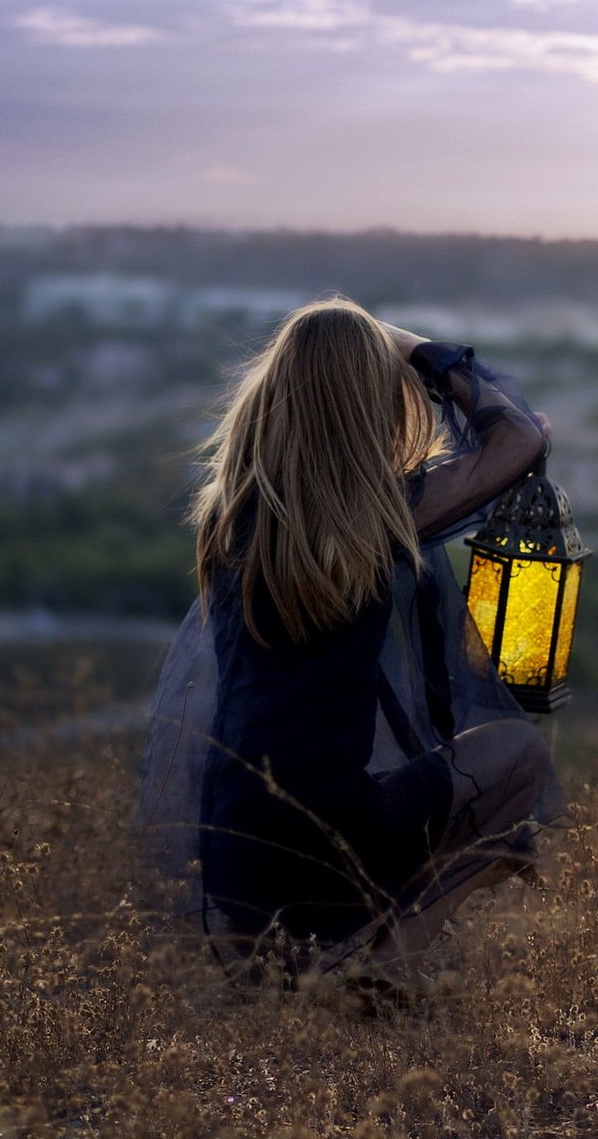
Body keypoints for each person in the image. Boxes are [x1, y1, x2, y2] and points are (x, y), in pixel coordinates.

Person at [136, 295, 568, 996]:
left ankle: (366, 956)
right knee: (518, 760)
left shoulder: (228, 516)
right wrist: (406, 344)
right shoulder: (379, 517)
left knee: (456, 807)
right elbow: (519, 440)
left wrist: (335, 338)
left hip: (234, 848)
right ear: (366, 407)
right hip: (328, 840)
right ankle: (389, 972)